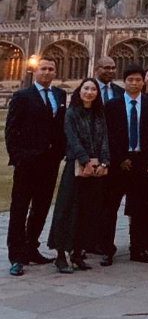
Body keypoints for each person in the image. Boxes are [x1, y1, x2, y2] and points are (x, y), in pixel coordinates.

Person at [5, 56, 66, 276]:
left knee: (40, 208)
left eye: (51, 69)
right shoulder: (22, 96)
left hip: (49, 163)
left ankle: (32, 248)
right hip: (27, 163)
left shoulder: (59, 95)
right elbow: (11, 130)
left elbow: (59, 128)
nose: (47, 72)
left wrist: (59, 153)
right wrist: (19, 157)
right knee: (19, 209)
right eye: (44, 69)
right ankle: (16, 256)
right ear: (35, 72)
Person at [47, 77, 107, 273]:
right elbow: (71, 138)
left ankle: (78, 252)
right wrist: (84, 159)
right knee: (68, 209)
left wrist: (105, 161)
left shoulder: (99, 114)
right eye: (86, 88)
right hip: (76, 166)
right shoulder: (71, 113)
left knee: (88, 210)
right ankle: (61, 255)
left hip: (96, 167)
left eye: (93, 89)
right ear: (80, 91)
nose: (89, 92)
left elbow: (105, 139)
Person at [102, 63, 148, 266]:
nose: (134, 83)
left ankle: (137, 249)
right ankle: (107, 249)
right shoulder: (112, 105)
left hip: (141, 160)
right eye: (130, 80)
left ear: (143, 82)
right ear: (124, 82)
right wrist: (119, 159)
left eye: (138, 80)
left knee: (139, 209)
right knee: (111, 208)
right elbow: (109, 135)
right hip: (119, 162)